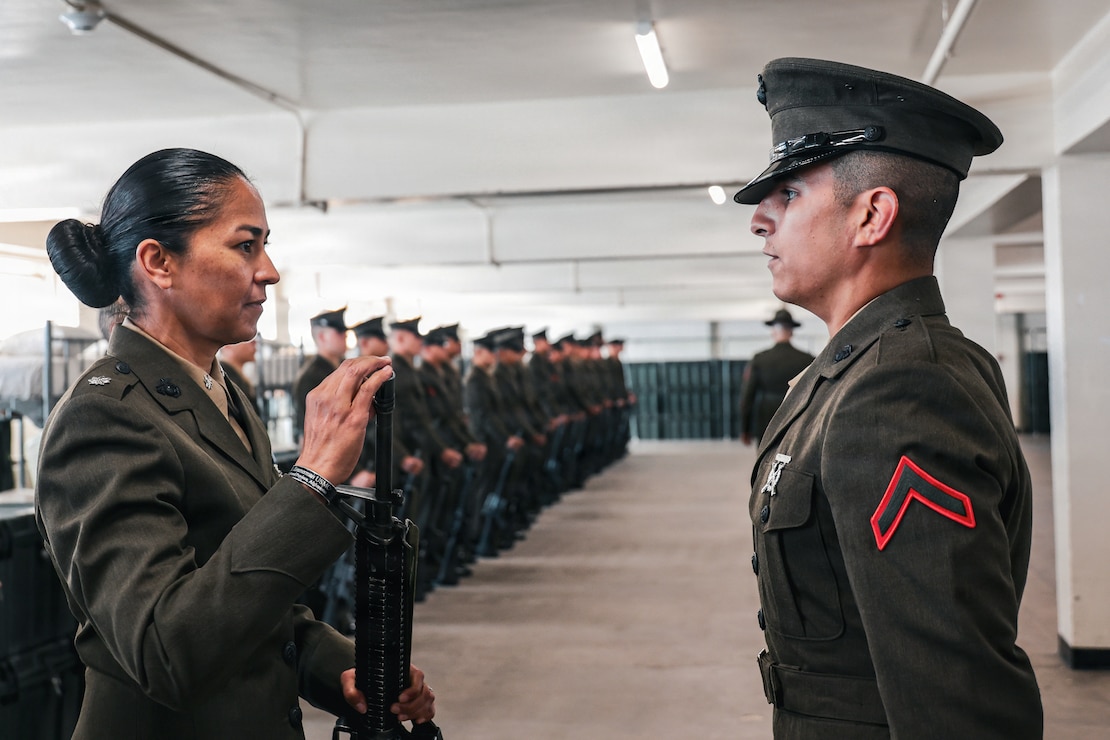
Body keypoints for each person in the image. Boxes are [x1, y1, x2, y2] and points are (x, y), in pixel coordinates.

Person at [35, 148, 435, 739]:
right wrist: (312, 476)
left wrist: (348, 670)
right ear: (158, 262)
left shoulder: (218, 395)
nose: (269, 270)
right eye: (246, 245)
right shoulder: (103, 419)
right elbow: (165, 650)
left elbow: (259, 602)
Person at [736, 59, 1041, 739]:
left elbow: (956, 693)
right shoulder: (854, 374)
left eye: (787, 195)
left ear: (872, 214)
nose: (760, 219)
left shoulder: (897, 391)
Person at [737, 308, 814, 445]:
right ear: (791, 332)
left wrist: (745, 429)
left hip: (766, 418)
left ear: (773, 331)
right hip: (796, 416)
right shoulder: (807, 360)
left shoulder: (760, 359)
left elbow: (747, 398)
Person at [292, 307, 349, 444]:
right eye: (339, 332)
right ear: (322, 337)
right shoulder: (311, 377)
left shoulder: (344, 368)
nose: (345, 336)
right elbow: (314, 430)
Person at [218, 336, 261, 417]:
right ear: (227, 346)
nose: (254, 342)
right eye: (249, 339)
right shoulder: (224, 380)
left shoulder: (239, 378)